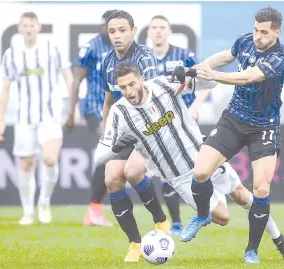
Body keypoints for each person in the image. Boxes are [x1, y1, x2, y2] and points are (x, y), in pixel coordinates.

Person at [94, 61, 284, 262]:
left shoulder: (164, 85)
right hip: (180, 177)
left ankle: (281, 242)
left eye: (132, 84)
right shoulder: (119, 113)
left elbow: (211, 84)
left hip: (204, 157)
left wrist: (190, 73)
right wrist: (116, 147)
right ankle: (204, 208)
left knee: (242, 195)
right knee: (223, 218)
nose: (129, 91)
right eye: (123, 87)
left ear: (141, 79)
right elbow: (99, 157)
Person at [176, 7, 284, 264]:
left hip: (264, 126)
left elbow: (249, 77)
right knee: (200, 171)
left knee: (260, 189)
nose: (258, 36)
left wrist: (214, 76)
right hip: (234, 119)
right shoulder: (245, 41)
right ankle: (203, 214)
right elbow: (223, 57)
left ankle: (251, 251)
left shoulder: (280, 57)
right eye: (256, 30)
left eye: (264, 32)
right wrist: (194, 70)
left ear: (277, 32)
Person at [95, 10, 170, 262]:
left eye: (122, 30)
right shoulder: (106, 63)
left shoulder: (145, 58)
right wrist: (107, 132)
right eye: (112, 31)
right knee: (112, 180)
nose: (117, 36)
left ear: (133, 31)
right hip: (123, 130)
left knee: (132, 172)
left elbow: (155, 95)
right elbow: (108, 102)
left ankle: (160, 221)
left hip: (150, 127)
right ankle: (136, 244)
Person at [0, 12, 73, 225]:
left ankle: (44, 202)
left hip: (50, 115)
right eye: (25, 26)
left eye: (32, 25)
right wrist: (0, 119)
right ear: (20, 29)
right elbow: (5, 88)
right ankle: (28, 211)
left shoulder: (51, 48)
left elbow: (67, 76)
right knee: (27, 165)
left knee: (49, 158)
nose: (28, 29)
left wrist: (72, 108)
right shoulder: (11, 54)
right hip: (24, 118)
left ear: (38, 27)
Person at [147, 15, 210, 236]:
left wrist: (195, 108)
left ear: (169, 31)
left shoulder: (184, 56)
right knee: (167, 172)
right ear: (149, 32)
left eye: (162, 27)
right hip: (162, 123)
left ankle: (207, 209)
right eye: (154, 27)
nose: (158, 31)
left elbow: (204, 83)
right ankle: (176, 222)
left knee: (198, 167)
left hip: (187, 119)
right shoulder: (145, 60)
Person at [65, 10, 117, 227]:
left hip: (118, 112)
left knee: (110, 157)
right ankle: (94, 208)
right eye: (109, 26)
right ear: (103, 25)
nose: (112, 31)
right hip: (95, 109)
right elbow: (77, 80)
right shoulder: (92, 47)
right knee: (109, 152)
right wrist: (71, 112)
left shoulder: (125, 47)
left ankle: (94, 210)